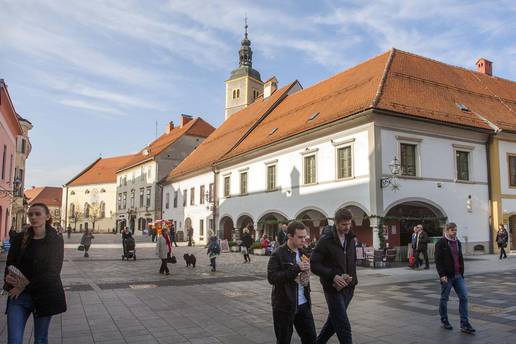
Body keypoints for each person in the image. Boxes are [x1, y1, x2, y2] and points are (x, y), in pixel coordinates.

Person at [3, 203, 67, 344]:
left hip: (44, 296)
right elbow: (10, 263)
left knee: (40, 339)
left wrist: (24, 285)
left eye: (38, 214)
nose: (33, 217)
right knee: (13, 340)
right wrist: (8, 277)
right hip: (19, 297)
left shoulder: (55, 240)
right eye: (30, 214)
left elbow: (53, 272)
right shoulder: (20, 238)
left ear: (47, 216)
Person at [311, 208, 357, 344]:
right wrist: (333, 276)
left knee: (334, 321)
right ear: (336, 223)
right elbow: (314, 264)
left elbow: (352, 261)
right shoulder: (326, 240)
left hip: (349, 288)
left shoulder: (351, 238)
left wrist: (351, 277)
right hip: (332, 289)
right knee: (343, 325)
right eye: (343, 224)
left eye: (349, 224)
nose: (347, 227)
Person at [267, 221, 316, 344]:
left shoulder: (304, 252)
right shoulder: (278, 254)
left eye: (305, 237)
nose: (303, 240)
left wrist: (306, 274)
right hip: (284, 305)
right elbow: (272, 278)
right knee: (284, 340)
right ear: (290, 236)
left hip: (303, 303)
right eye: (300, 237)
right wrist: (296, 268)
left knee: (311, 338)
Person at [435, 222, 475, 334]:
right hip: (447, 277)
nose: (455, 232)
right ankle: (444, 319)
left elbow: (459, 258)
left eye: (456, 230)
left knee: (464, 297)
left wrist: (462, 272)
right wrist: (442, 275)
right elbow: (438, 261)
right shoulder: (441, 243)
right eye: (452, 230)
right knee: (444, 298)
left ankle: (464, 323)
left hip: (458, 276)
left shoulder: (457, 242)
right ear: (447, 231)